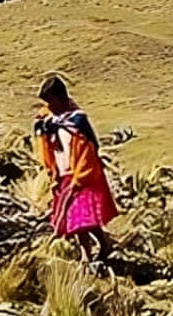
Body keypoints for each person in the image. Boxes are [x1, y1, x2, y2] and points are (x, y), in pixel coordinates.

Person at [33, 74, 117, 260]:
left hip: (81, 177)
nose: (49, 106)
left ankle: (94, 250)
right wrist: (52, 174)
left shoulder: (78, 122)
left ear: (60, 98)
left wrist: (78, 179)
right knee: (75, 219)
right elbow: (46, 148)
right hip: (62, 176)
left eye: (51, 101)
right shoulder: (48, 122)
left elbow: (88, 152)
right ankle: (95, 249)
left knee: (81, 218)